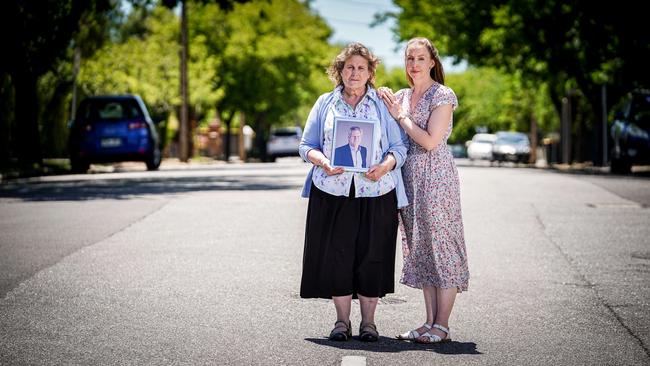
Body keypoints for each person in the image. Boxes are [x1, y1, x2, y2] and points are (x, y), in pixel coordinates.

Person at [299, 42, 408, 342]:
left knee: (372, 255)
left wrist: (385, 167)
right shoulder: (324, 103)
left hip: (376, 191)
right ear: (340, 71)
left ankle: (369, 324)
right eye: (349, 67)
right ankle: (342, 322)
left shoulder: (382, 104)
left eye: (361, 67)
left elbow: (399, 148)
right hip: (332, 191)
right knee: (338, 256)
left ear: (371, 71)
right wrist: (322, 162)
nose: (355, 72)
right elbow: (306, 146)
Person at [378, 37, 469, 344]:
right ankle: (428, 322)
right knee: (422, 249)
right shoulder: (402, 96)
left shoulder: (443, 94)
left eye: (420, 58)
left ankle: (442, 325)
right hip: (408, 180)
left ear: (432, 62)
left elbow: (430, 141)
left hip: (436, 179)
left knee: (442, 247)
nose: (413, 64)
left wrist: (400, 116)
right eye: (409, 59)